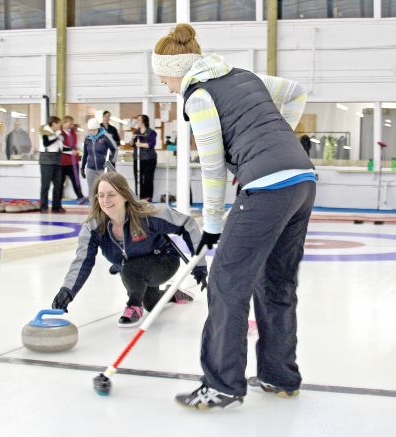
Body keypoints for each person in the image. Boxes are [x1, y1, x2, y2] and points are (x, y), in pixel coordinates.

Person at [153, 23, 315, 409]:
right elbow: (296, 93)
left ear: (174, 70)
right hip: (302, 178)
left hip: (268, 185)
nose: (164, 86)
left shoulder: (198, 95)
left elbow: (211, 168)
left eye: (162, 78)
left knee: (227, 281)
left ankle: (222, 384)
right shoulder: (241, 75)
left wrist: (211, 226)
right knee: (277, 280)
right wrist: (278, 139)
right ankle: (280, 375)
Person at [51, 171, 208, 327]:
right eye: (101, 195)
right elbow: (82, 261)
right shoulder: (94, 227)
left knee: (130, 271)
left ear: (125, 195)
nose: (105, 200)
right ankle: (171, 292)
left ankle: (133, 306)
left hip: (163, 260)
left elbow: (188, 224)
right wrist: (67, 290)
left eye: (111, 194)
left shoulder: (147, 215)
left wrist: (199, 265)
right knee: (151, 304)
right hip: (132, 268)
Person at [81, 118, 117, 200]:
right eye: (91, 130)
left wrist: (111, 162)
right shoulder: (88, 138)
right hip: (90, 169)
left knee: (104, 191)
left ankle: (104, 210)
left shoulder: (105, 137)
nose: (92, 132)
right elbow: (85, 154)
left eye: (94, 130)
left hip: (103, 169)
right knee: (92, 191)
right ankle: (93, 210)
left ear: (98, 128)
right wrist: (82, 167)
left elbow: (115, 149)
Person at [39, 116, 65, 212]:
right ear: (53, 123)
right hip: (47, 160)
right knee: (45, 185)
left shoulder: (57, 133)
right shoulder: (44, 131)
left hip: (57, 159)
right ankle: (43, 206)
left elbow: (60, 146)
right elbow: (46, 143)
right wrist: (57, 138)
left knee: (58, 184)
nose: (60, 125)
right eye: (58, 123)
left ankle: (56, 206)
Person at [59, 116, 86, 204]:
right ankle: (57, 199)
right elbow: (61, 147)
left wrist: (83, 150)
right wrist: (71, 151)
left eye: (72, 124)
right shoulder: (59, 133)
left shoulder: (73, 132)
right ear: (64, 123)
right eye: (69, 123)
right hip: (62, 162)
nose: (71, 125)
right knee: (60, 182)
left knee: (76, 180)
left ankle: (80, 197)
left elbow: (77, 144)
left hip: (73, 162)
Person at [132, 114, 158, 201]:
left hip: (149, 159)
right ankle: (138, 197)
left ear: (144, 121)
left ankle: (147, 198)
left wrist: (140, 144)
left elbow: (151, 144)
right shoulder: (136, 132)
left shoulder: (151, 132)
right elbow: (132, 144)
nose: (137, 121)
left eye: (139, 120)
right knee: (138, 179)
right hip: (138, 159)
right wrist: (132, 138)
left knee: (148, 179)